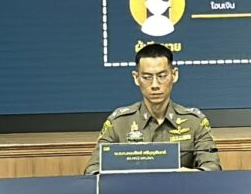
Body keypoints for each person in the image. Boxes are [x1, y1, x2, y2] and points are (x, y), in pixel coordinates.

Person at [85, 43, 221, 173]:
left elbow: (212, 168)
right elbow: (92, 170)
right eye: (147, 77)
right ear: (136, 78)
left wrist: (186, 175)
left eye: (162, 76)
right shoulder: (119, 123)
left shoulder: (194, 122)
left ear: (174, 75)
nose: (155, 85)